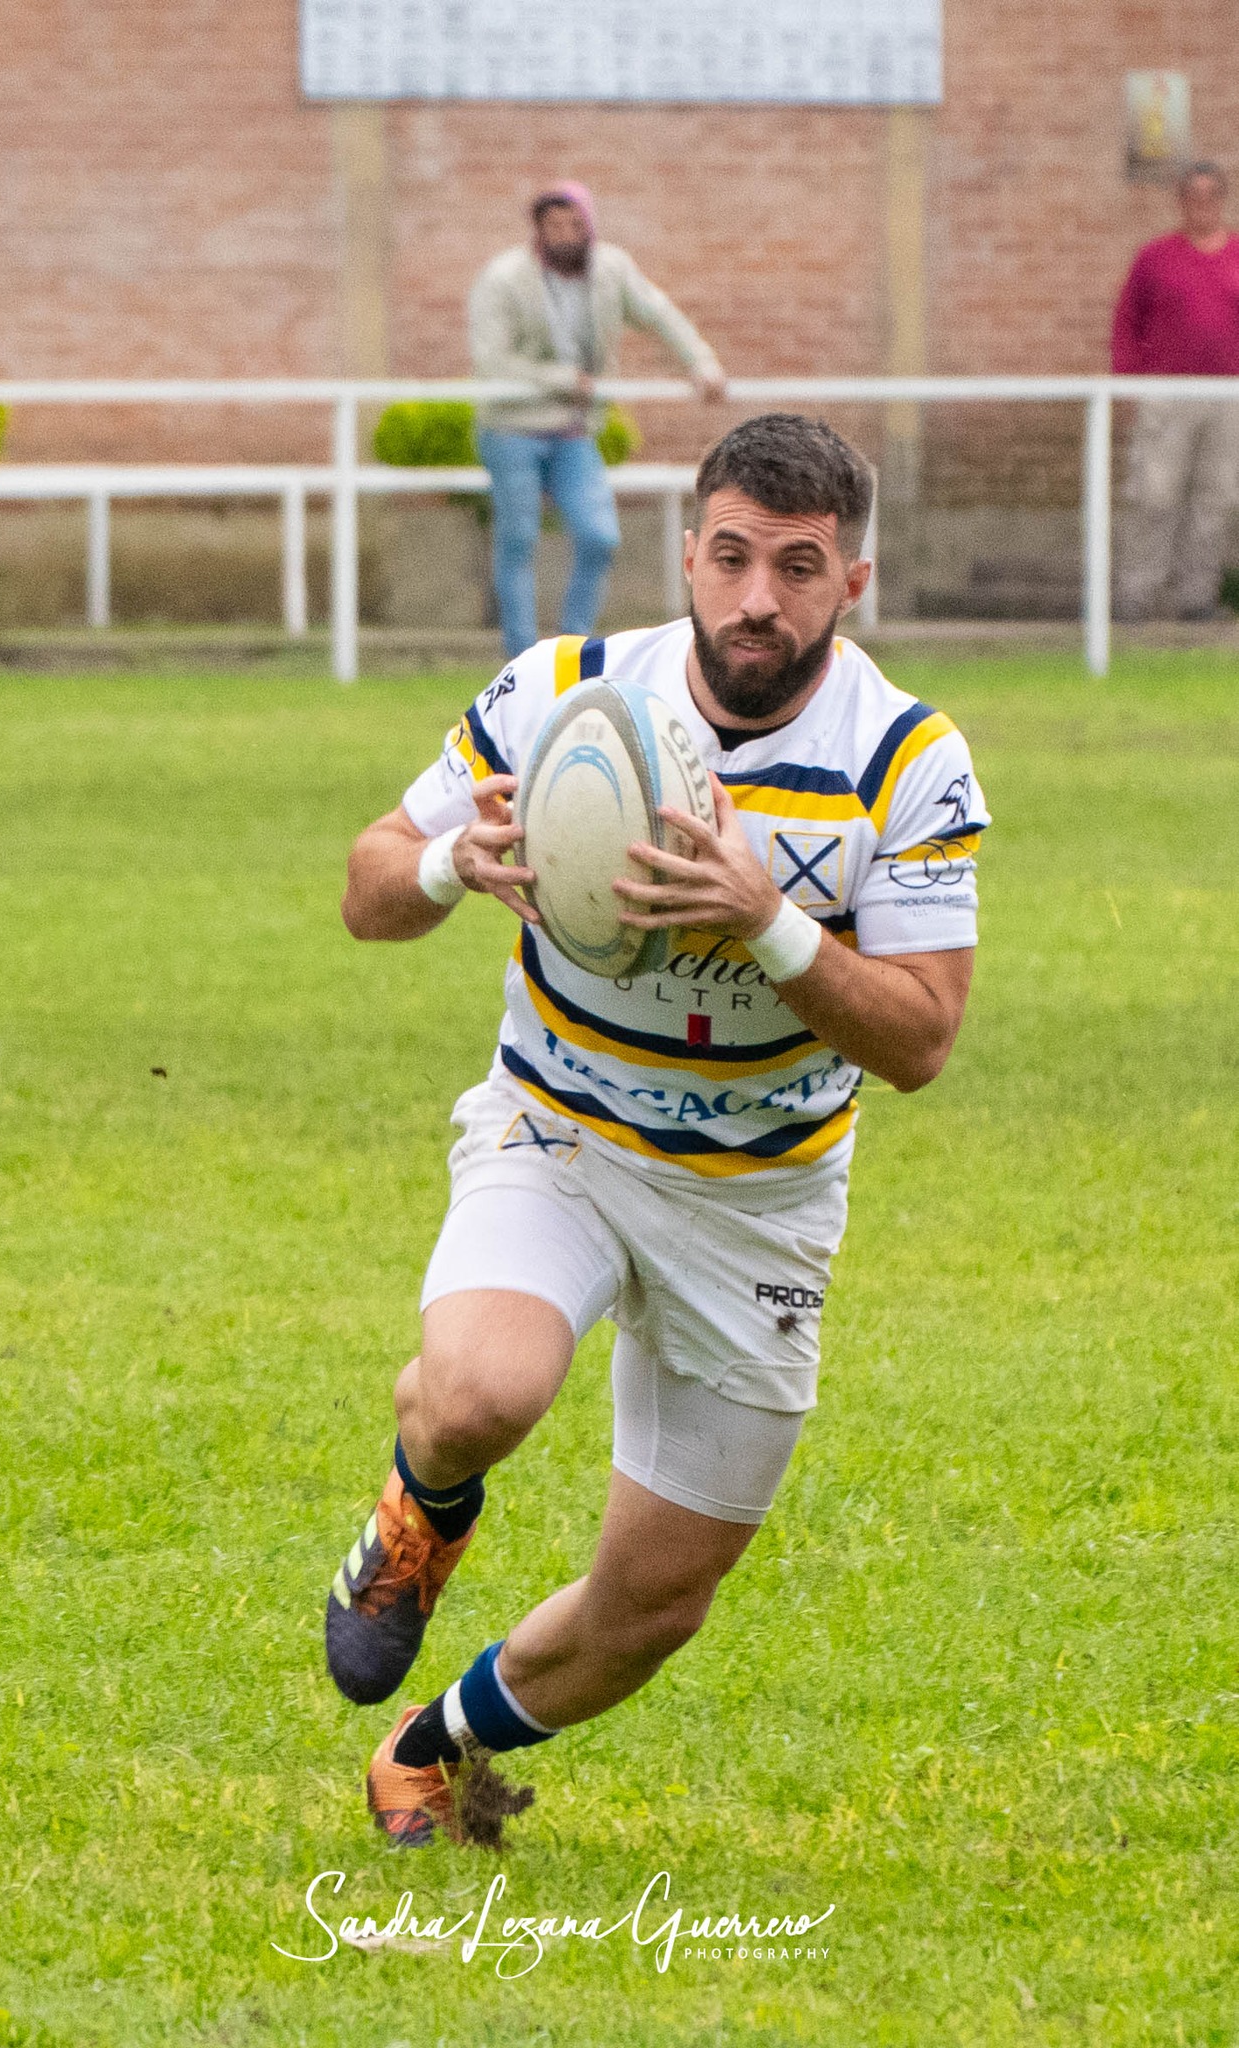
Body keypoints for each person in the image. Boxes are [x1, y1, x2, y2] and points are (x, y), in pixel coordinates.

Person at [328, 412, 990, 1849]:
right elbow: (368, 884)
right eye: (732, 557)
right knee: (480, 1390)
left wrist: (767, 921)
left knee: (654, 1604)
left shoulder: (905, 759)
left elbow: (922, 1040)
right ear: (686, 554)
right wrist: (452, 860)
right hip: (560, 1129)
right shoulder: (561, 692)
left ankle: (431, 1748)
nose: (758, 598)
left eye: (798, 568)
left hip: (759, 1201)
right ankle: (421, 1510)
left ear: (852, 582)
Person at [468, 180, 726, 660]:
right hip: (512, 428)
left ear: (589, 225)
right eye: (553, 225)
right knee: (518, 540)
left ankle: (571, 651)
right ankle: (522, 660)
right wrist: (563, 379)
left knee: (598, 536)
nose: (564, 234)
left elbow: (660, 316)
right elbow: (492, 360)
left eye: (574, 224)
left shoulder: (611, 269)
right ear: (537, 230)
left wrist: (700, 363)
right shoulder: (504, 278)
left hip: (573, 430)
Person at [1112, 160, 1239, 621]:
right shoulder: (1155, 258)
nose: (1201, 205)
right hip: (1165, 395)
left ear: (1222, 200)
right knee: (1154, 495)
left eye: (1210, 196)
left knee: (1216, 499)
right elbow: (1127, 323)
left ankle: (1197, 597)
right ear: (1181, 201)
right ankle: (1136, 594)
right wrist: (1125, 387)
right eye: (1192, 196)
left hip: (1229, 398)